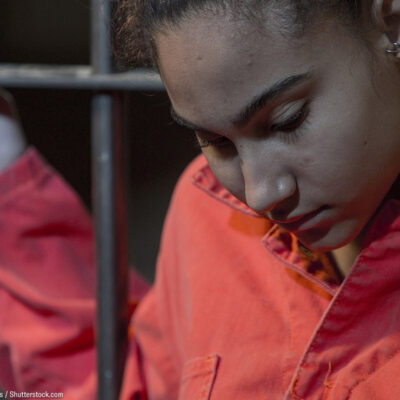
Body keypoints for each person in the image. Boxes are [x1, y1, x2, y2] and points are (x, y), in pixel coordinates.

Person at [1, 0, 400, 399]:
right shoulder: (209, 215)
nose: (260, 195)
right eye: (215, 141)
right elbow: (124, 386)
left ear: (392, 23)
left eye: (287, 120)